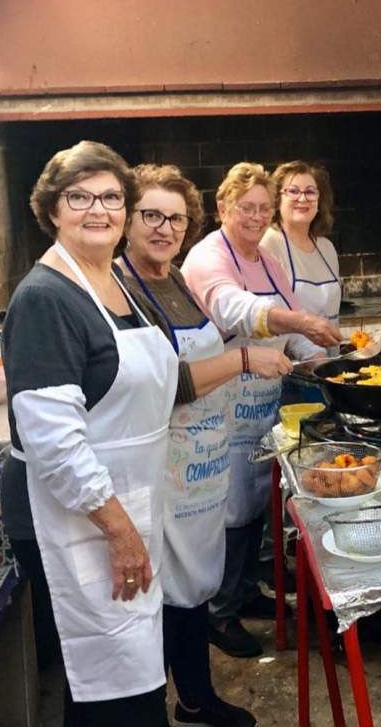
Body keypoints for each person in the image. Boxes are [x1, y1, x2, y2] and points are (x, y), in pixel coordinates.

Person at [1, 141, 177, 725]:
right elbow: (54, 443)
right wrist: (121, 532)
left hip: (125, 506)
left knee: (128, 673)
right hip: (81, 516)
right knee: (111, 681)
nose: (98, 210)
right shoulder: (45, 299)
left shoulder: (116, 283)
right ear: (52, 209)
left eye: (111, 197)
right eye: (79, 197)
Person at [118, 165, 292, 726]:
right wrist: (242, 359)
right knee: (171, 591)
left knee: (193, 586)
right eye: (151, 215)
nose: (164, 228)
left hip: (203, 465)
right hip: (166, 468)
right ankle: (189, 699)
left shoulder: (174, 279)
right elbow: (164, 386)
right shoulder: (122, 290)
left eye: (175, 218)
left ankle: (194, 695)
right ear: (126, 219)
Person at [182, 162, 341, 658]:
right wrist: (302, 322)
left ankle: (245, 591)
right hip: (218, 405)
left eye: (262, 209)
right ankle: (218, 613)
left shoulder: (267, 260)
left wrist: (331, 368)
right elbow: (233, 308)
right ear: (222, 208)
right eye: (244, 207)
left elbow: (294, 330)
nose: (255, 217)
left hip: (261, 403)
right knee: (228, 507)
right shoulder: (208, 256)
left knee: (253, 500)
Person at [260, 160, 342, 353]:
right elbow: (268, 318)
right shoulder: (268, 244)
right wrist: (315, 356)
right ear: (277, 199)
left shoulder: (326, 248)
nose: (303, 199)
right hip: (290, 362)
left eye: (310, 192)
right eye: (293, 191)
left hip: (330, 360)